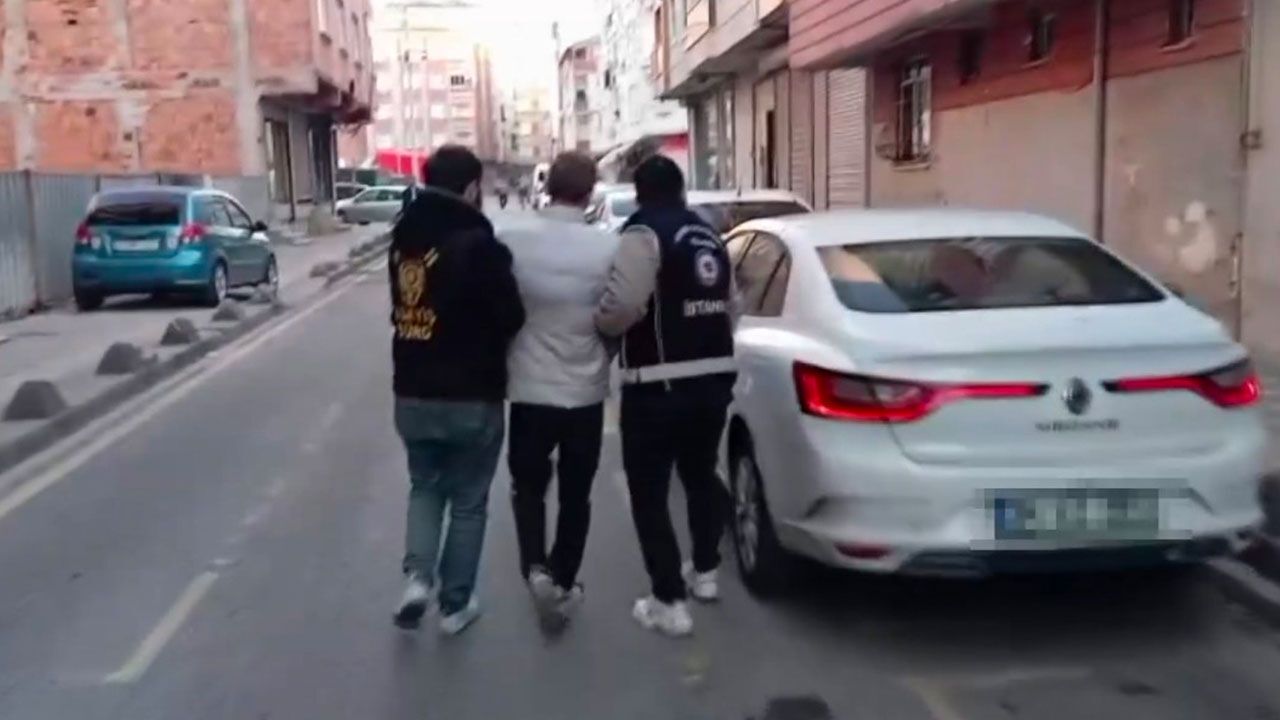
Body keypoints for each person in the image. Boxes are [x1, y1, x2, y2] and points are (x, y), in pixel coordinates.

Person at [594, 155, 738, 638]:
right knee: (701, 476)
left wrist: (602, 327)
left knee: (649, 492)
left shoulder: (643, 233)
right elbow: (731, 307)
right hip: (713, 379)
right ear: (681, 190)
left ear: (640, 193)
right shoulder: (709, 236)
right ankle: (706, 572)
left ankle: (668, 600)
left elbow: (625, 303)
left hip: (658, 383)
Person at [389, 145, 525, 635]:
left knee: (425, 486)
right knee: (468, 501)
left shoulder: (403, 239)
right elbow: (511, 316)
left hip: (412, 388)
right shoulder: (479, 245)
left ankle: (417, 579)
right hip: (471, 392)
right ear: (470, 188)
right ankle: (454, 606)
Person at [499, 152, 619, 626]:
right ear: (589, 194)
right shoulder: (606, 247)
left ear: (547, 187)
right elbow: (619, 308)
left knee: (528, 488)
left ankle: (534, 568)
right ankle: (564, 577)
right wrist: (608, 348)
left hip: (529, 388)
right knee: (576, 493)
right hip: (584, 392)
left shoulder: (512, 239)